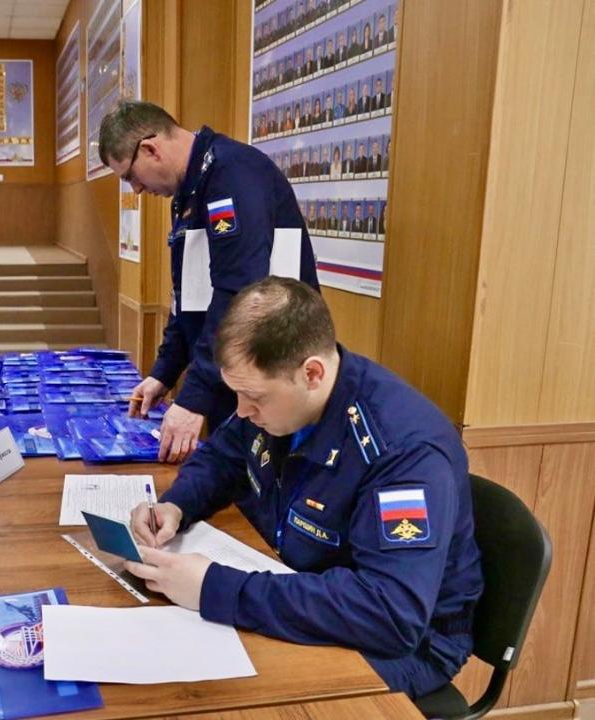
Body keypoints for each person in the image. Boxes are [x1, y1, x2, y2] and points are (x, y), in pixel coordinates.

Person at [124, 277, 483, 700]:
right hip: (300, 583)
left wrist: (215, 588)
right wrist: (176, 506)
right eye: (235, 393)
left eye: (253, 397)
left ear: (312, 373)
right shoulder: (278, 399)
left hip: (404, 644)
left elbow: (391, 613)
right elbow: (223, 456)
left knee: (227, 695)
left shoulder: (402, 452)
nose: (242, 410)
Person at [98, 100, 319, 464]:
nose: (136, 189)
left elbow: (240, 294)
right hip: (230, 373)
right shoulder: (192, 189)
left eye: (130, 176)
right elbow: (188, 296)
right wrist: (164, 373)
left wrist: (194, 398)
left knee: (257, 486)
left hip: (271, 376)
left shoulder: (233, 174)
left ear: (150, 149)